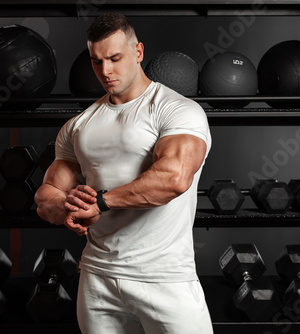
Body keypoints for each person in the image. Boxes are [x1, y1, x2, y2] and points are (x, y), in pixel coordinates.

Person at [35, 12, 213, 334]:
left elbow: (174, 179)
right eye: (96, 61)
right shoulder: (79, 125)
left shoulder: (177, 110)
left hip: (164, 277)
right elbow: (46, 194)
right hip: (97, 278)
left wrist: (100, 203)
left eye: (115, 58)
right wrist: (67, 207)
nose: (105, 71)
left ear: (138, 52)